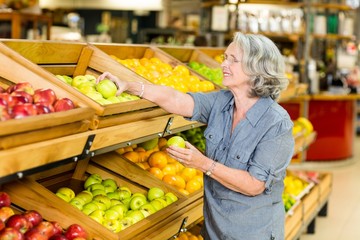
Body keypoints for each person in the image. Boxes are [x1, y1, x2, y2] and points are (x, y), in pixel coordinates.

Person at [97, 32, 295, 240]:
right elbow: (176, 98)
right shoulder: (221, 102)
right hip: (214, 231)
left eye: (233, 60)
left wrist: (203, 164)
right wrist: (130, 85)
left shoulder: (276, 123)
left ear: (257, 69)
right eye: (224, 58)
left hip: (253, 233)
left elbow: (254, 184)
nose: (224, 65)